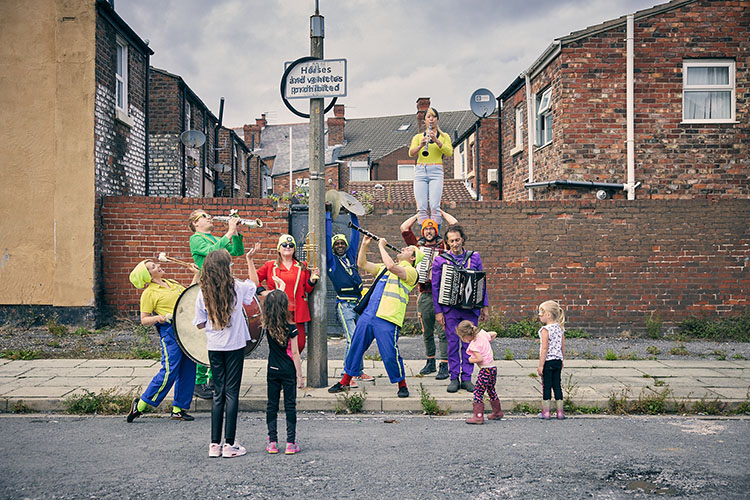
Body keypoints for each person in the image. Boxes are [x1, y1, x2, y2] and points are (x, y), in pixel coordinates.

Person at [328, 236, 423, 398]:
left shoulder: (412, 272)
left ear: (413, 258)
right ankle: (345, 381)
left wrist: (381, 246)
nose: (404, 249)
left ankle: (402, 384)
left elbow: (392, 266)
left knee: (389, 353)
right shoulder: (384, 268)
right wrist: (364, 245)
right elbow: (362, 264)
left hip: (388, 317)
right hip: (369, 314)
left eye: (408, 249)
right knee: (355, 347)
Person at [193, 247, 259, 458]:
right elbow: (255, 286)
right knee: (232, 393)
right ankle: (229, 444)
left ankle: (214, 445)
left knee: (218, 394)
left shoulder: (202, 292)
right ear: (225, 268)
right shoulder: (237, 287)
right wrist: (249, 260)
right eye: (230, 264)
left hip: (214, 347)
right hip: (235, 346)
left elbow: (199, 324)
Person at [126, 258, 200, 423]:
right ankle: (140, 406)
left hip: (185, 329)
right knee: (169, 370)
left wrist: (196, 275)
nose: (158, 266)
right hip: (170, 331)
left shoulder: (171, 282)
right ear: (149, 275)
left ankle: (178, 409)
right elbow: (144, 320)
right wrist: (160, 317)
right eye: (154, 267)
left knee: (188, 368)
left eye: (156, 264)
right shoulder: (149, 293)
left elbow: (188, 297)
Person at [188, 209, 245, 400]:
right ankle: (199, 381)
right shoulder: (196, 238)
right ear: (195, 223)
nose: (209, 217)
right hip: (208, 289)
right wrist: (228, 232)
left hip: (222, 288)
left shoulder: (213, 238)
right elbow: (213, 254)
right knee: (207, 338)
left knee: (220, 333)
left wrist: (235, 233)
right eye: (204, 216)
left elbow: (237, 252)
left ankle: (214, 379)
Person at [400, 209, 457, 379]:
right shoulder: (417, 246)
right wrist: (418, 215)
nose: (429, 231)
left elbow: (455, 225)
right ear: (422, 231)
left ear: (436, 230)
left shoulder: (444, 244)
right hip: (425, 293)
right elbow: (404, 228)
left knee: (444, 330)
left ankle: (444, 364)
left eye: (432, 229)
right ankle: (430, 361)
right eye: (426, 229)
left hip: (443, 294)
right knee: (427, 331)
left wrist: (441, 212)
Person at [432, 224, 489, 393]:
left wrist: (484, 306)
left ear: (463, 239)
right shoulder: (440, 260)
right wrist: (438, 311)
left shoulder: (474, 258)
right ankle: (453, 378)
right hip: (450, 310)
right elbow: (435, 287)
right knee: (452, 344)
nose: (455, 244)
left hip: (470, 309)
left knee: (470, 344)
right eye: (451, 241)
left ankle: (467, 378)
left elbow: (481, 284)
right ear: (447, 243)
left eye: (457, 240)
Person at [326, 209, 373, 387]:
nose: (340, 245)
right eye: (336, 243)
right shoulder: (331, 262)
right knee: (352, 339)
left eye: (342, 243)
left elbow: (355, 233)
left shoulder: (351, 257)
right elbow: (326, 235)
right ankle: (348, 374)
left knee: (359, 338)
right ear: (332, 247)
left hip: (359, 304)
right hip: (344, 304)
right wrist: (328, 215)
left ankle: (358, 372)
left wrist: (353, 213)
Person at [255, 234, 319, 354]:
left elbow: (308, 289)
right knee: (280, 343)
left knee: (299, 344)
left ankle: (291, 365)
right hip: (278, 311)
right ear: (279, 248)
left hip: (297, 311)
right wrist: (263, 292)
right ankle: (286, 368)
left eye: (291, 245)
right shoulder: (270, 266)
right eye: (284, 245)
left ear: (294, 249)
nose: (287, 247)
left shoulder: (302, 265)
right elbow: (254, 279)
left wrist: (312, 280)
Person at [263, 289, 304, 455]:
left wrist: (276, 288)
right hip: (288, 370)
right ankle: (290, 442)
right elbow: (295, 353)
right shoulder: (291, 328)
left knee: (272, 405)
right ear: (285, 306)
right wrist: (300, 377)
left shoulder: (267, 326)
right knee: (290, 406)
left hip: (272, 369)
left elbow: (269, 298)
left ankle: (272, 442)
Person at [408, 107, 453, 227]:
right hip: (420, 170)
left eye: (433, 116)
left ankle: (435, 233)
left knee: (434, 206)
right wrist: (421, 145)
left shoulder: (444, 136)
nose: (431, 119)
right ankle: (424, 233)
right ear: (425, 121)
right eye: (428, 117)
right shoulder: (418, 137)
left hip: (436, 171)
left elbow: (449, 152)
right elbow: (411, 153)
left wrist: (436, 141)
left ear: (437, 119)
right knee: (421, 207)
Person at [457, 320, 504, 424]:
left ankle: (478, 416)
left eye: (462, 338)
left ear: (466, 336)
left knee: (478, 392)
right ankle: (497, 412)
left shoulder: (474, 345)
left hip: (485, 370)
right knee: (491, 390)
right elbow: (494, 333)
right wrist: (487, 342)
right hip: (493, 368)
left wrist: (470, 360)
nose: (463, 340)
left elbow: (479, 358)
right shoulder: (482, 334)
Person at [537, 300, 566, 420]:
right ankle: (560, 412)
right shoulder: (560, 328)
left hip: (548, 361)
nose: (539, 315)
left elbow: (544, 348)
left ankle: (546, 412)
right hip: (558, 361)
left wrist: (540, 365)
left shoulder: (545, 330)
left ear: (548, 315)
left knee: (547, 386)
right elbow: (562, 346)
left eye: (541, 313)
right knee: (557, 385)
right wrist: (562, 359)